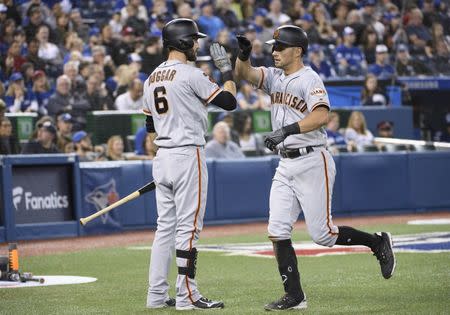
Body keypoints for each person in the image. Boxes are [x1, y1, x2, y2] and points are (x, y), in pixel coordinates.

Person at [235, 25, 396, 311]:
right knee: (277, 230)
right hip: (286, 164)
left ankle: (376, 242)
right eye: (273, 46)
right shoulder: (274, 76)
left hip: (312, 160)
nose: (274, 51)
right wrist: (244, 56)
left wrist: (286, 130)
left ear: (297, 50)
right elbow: (244, 74)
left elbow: (322, 115)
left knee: (323, 235)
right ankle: (294, 296)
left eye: (280, 47)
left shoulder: (309, 79)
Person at [143, 18, 237, 310]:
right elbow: (230, 102)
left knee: (164, 230)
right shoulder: (190, 73)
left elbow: (150, 124)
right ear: (182, 42)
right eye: (194, 40)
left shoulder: (151, 78)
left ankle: (156, 296)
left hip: (163, 157)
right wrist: (228, 72)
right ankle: (187, 296)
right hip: (187, 154)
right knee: (188, 229)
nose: (197, 44)